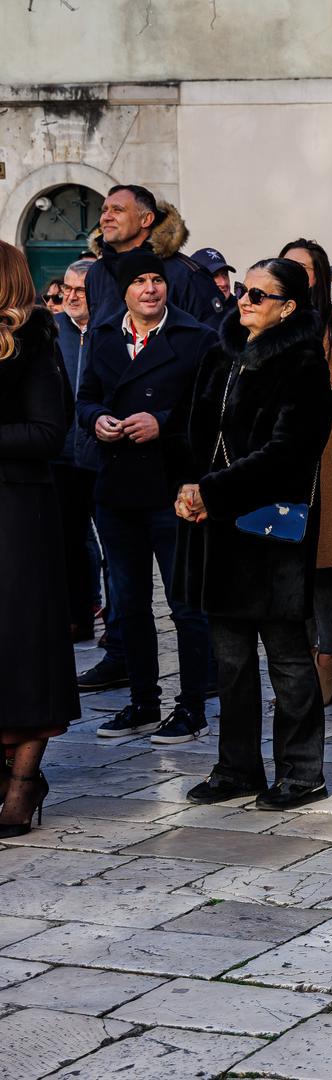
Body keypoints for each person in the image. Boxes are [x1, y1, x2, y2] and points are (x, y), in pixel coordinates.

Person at [175, 258, 332, 810]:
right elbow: (193, 428)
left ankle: (303, 772)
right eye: (244, 290)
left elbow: (290, 451)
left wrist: (212, 491)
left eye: (260, 295)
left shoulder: (303, 362)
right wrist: (189, 487)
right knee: (231, 660)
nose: (244, 300)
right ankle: (236, 767)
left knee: (287, 657)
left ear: (288, 307)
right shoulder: (222, 351)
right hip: (217, 528)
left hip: (269, 527)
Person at [77, 248, 215, 744]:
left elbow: (210, 410)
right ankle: (142, 703)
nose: (150, 288)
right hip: (117, 487)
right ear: (125, 291)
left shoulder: (196, 337)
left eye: (157, 279)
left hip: (173, 487)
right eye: (140, 282)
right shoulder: (103, 335)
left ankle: (192, 707)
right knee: (129, 604)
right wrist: (97, 420)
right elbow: (85, 398)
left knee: (185, 604)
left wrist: (163, 423)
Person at [0, 240, 80, 838]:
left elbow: (48, 433)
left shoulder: (34, 340)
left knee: (24, 650)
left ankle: (24, 781)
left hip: (17, 517)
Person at [281, 239, 332, 708]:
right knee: (290, 563)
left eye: (302, 268)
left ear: (319, 277)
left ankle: (326, 660)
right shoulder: (268, 319)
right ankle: (300, 659)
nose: (292, 273)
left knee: (324, 564)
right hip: (277, 455)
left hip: (323, 453)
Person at [85, 185, 227, 329]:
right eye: (104, 210)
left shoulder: (187, 274)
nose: (106, 217)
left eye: (117, 210)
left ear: (146, 219)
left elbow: (215, 336)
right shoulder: (96, 272)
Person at [52, 260, 101, 643]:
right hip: (61, 456)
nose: (70, 296)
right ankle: (78, 616)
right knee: (69, 540)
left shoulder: (109, 330)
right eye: (66, 288)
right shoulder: (51, 331)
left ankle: (116, 621)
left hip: (102, 453)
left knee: (113, 544)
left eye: (79, 290)